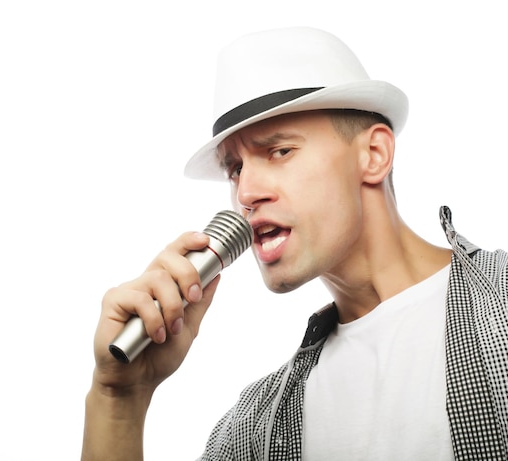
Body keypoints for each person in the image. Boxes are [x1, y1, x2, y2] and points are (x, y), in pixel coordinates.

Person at [81, 27, 508, 460]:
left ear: (374, 154)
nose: (245, 193)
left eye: (279, 152)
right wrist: (118, 401)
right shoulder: (252, 432)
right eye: (235, 169)